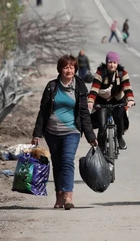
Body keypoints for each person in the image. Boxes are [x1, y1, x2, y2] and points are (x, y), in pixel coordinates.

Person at [31, 55, 97, 210]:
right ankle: (59, 194)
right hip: (52, 132)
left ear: (75, 70)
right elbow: (43, 111)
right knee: (58, 163)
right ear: (60, 69)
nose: (69, 70)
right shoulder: (52, 86)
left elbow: (84, 113)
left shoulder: (80, 87)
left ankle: (68, 196)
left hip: (72, 131)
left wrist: (90, 136)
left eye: (72, 67)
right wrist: (37, 134)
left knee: (67, 161)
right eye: (66, 67)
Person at [87, 51, 135, 151]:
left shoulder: (123, 74)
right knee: (102, 125)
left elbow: (127, 88)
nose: (112, 65)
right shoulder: (100, 73)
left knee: (120, 115)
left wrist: (130, 100)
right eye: (110, 62)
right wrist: (90, 101)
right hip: (102, 102)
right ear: (106, 63)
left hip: (118, 101)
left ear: (117, 64)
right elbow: (94, 89)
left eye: (114, 62)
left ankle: (120, 138)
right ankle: (101, 148)